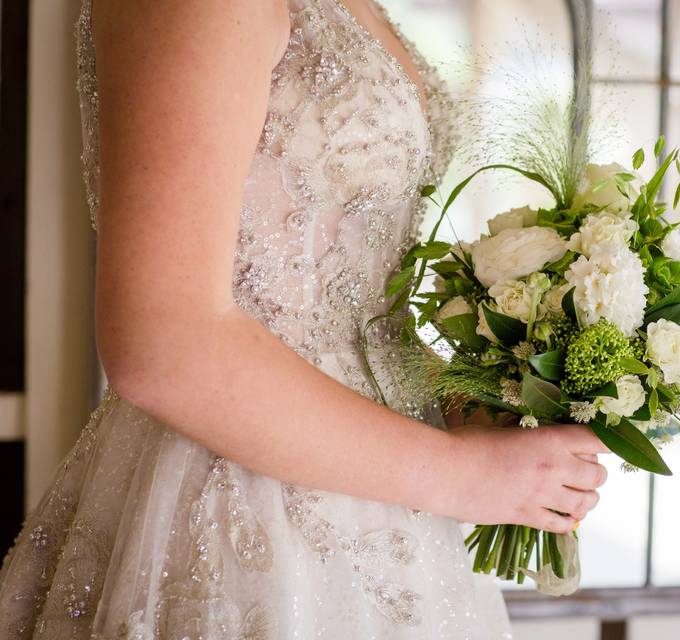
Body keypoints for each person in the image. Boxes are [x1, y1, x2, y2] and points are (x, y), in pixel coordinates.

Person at [0, 0, 609, 637]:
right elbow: (162, 343)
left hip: (393, 504)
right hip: (239, 502)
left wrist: (462, 398)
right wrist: (463, 477)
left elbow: (350, 312)